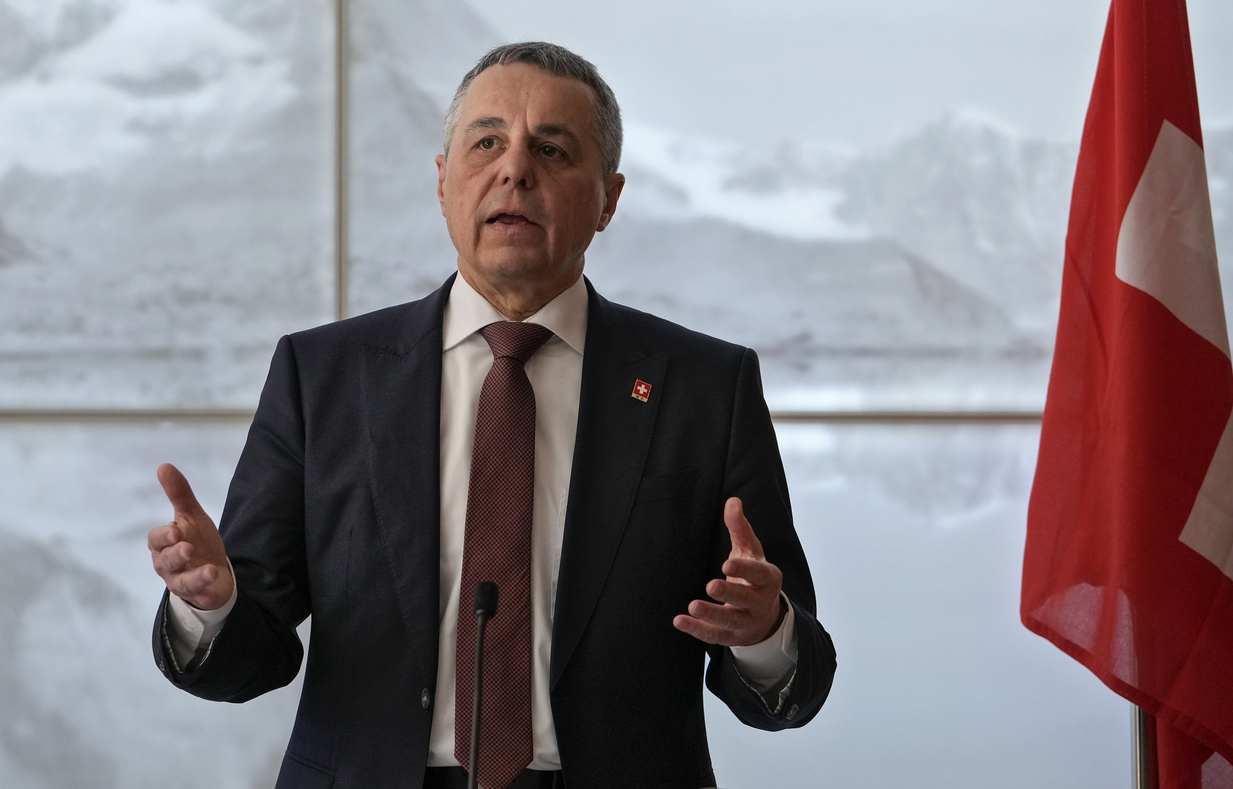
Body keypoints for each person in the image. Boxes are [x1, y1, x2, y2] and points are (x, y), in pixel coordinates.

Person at [147, 42, 835, 789]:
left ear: (609, 198)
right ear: (443, 184)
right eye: (486, 144)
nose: (515, 169)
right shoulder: (325, 377)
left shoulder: (704, 385)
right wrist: (209, 607)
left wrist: (765, 632)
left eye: (551, 148)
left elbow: (789, 690)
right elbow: (256, 653)